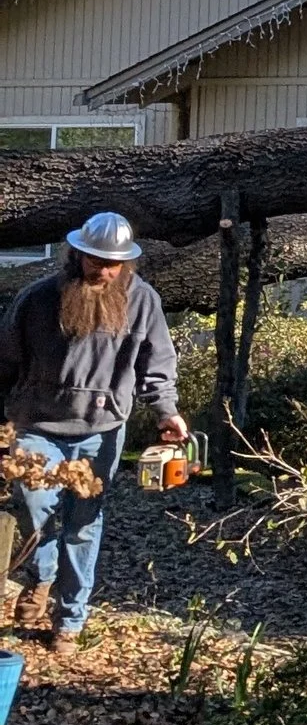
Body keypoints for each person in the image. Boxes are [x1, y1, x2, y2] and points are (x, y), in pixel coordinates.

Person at [0, 211, 184, 648]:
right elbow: (4, 362)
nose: (103, 270)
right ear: (77, 254)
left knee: (84, 524)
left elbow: (156, 365)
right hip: (37, 424)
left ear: (126, 264)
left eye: (114, 263)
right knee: (33, 509)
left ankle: (70, 619)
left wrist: (166, 411)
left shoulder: (143, 301)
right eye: (95, 260)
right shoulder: (38, 299)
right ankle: (41, 576)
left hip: (101, 429)